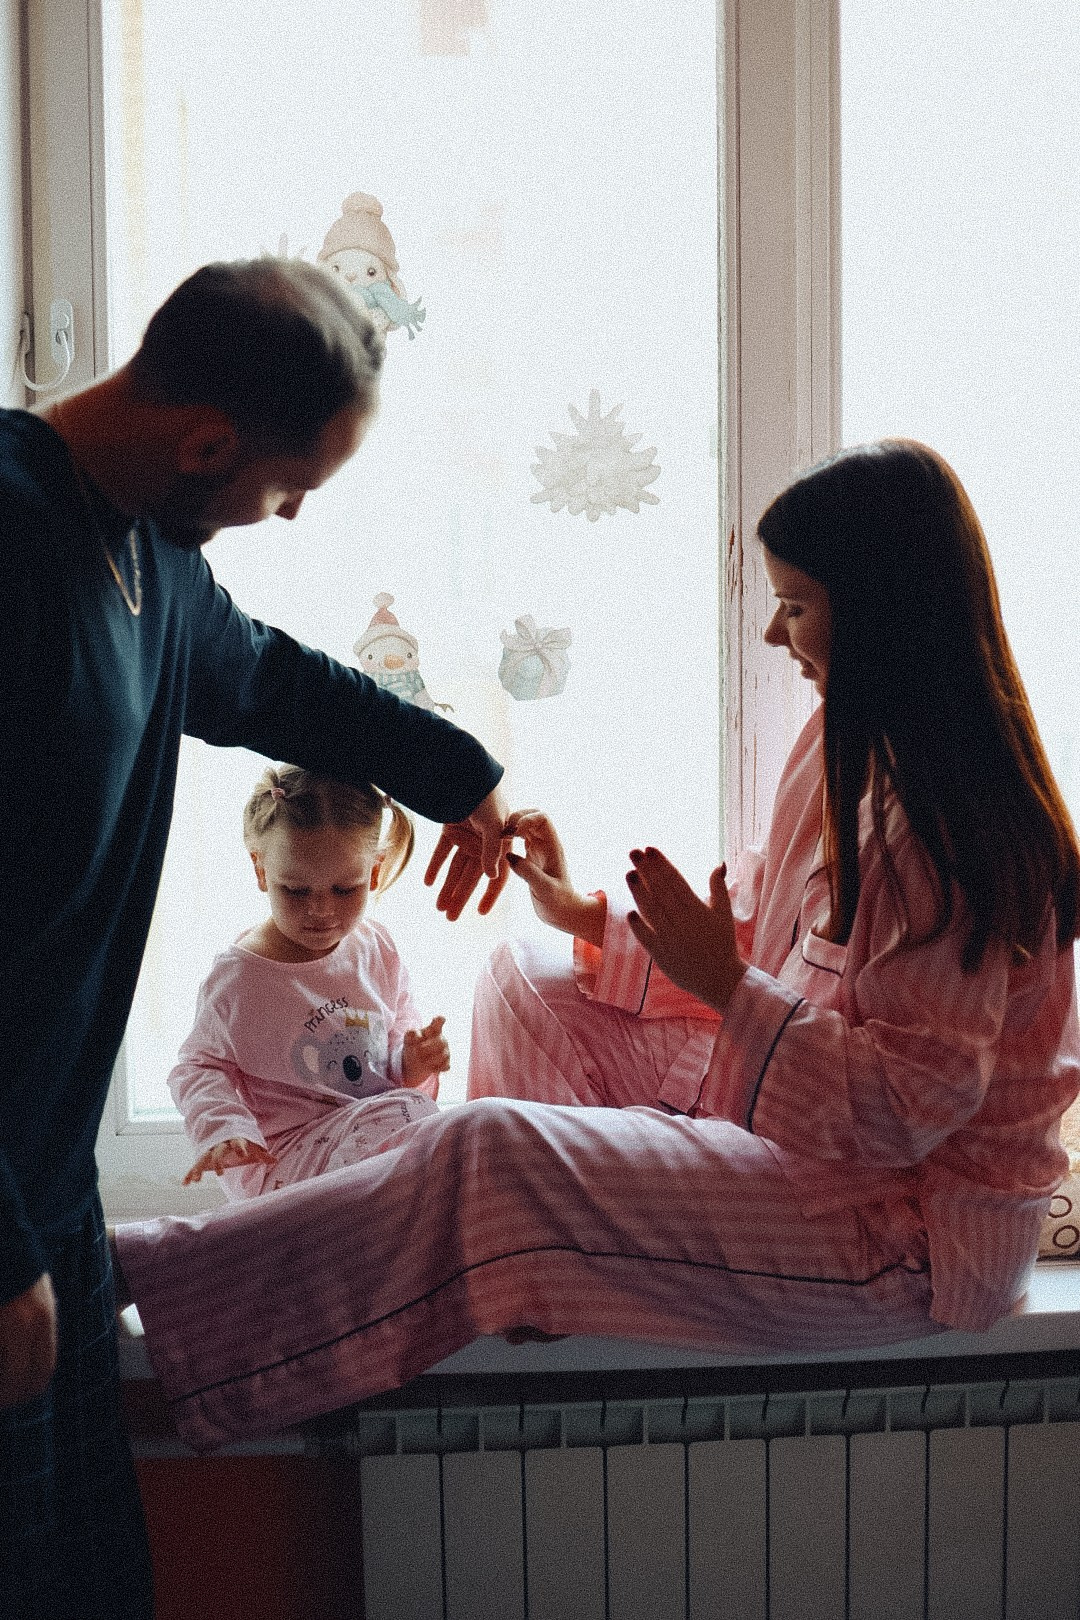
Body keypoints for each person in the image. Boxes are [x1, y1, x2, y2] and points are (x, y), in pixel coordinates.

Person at [113, 438, 1080, 1455]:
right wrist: (580, 916)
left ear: (884, 614)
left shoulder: (945, 829)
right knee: (521, 978)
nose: (772, 629)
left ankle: (159, 1282)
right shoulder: (840, 741)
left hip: (907, 1239)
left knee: (484, 1148)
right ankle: (560, 1267)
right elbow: (761, 925)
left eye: (795, 605)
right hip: (814, 1138)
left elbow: (905, 1114)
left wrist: (729, 986)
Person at [0, 258, 506, 1618]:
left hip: (46, 1201)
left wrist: (469, 783)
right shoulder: (13, 537)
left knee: (93, 1579)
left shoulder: (153, 554)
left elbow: (274, 679)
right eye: (290, 487)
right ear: (204, 439)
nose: (281, 517)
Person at [172, 764, 450, 1197]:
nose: (320, 910)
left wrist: (411, 1063)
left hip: (370, 1140)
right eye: (296, 891)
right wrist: (224, 1128)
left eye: (345, 889)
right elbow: (198, 1066)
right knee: (416, 1117)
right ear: (261, 871)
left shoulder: (377, 948)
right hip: (283, 1163)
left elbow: (389, 1060)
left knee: (433, 1129)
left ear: (374, 874)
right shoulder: (239, 977)